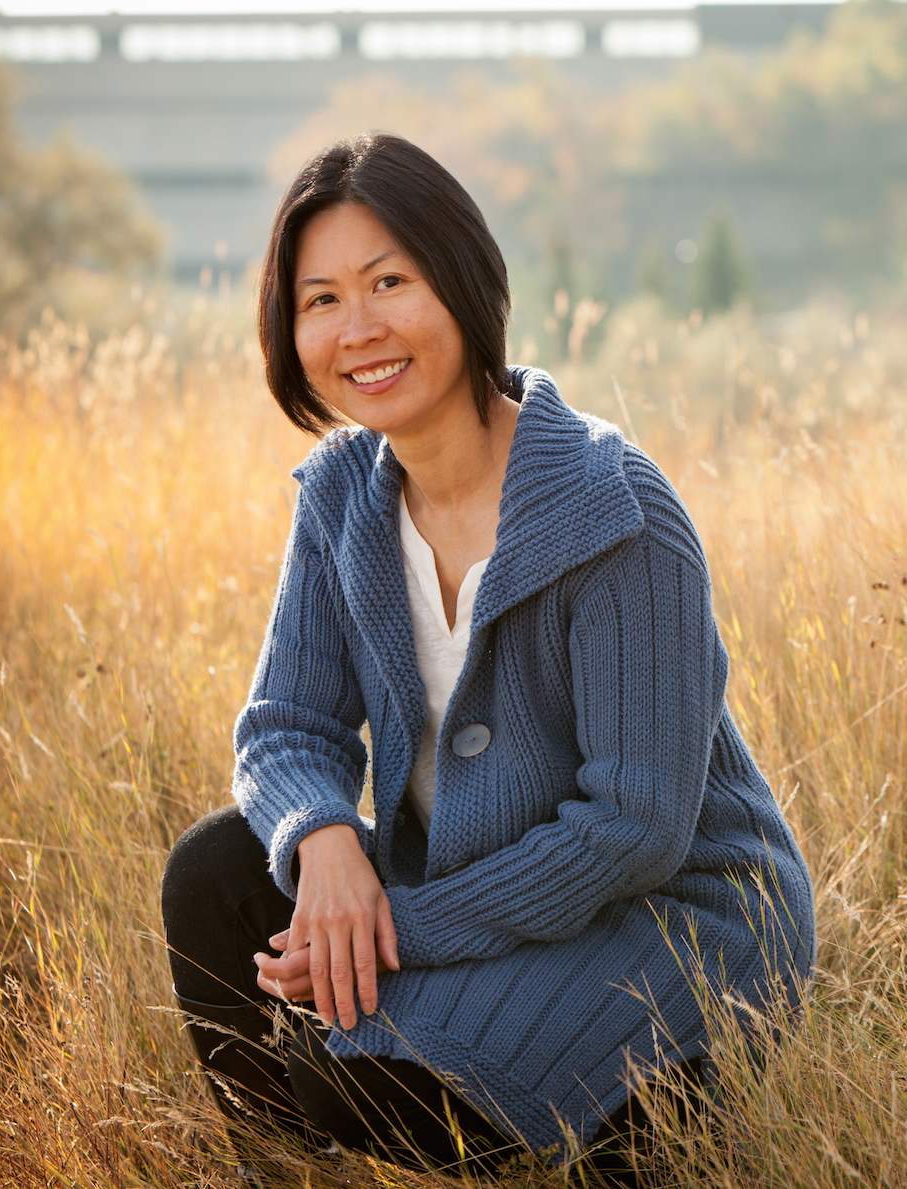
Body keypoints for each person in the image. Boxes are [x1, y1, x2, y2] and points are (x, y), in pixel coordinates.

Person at [160, 132, 815, 1181]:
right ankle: (281, 1172)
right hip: (466, 872)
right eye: (320, 299)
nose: (358, 328)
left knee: (365, 1080)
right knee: (218, 871)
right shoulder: (341, 495)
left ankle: (650, 1112)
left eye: (389, 282)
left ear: (463, 282)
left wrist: (393, 933)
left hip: (670, 916)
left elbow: (635, 827)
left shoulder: (612, 508)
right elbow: (287, 727)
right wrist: (326, 842)